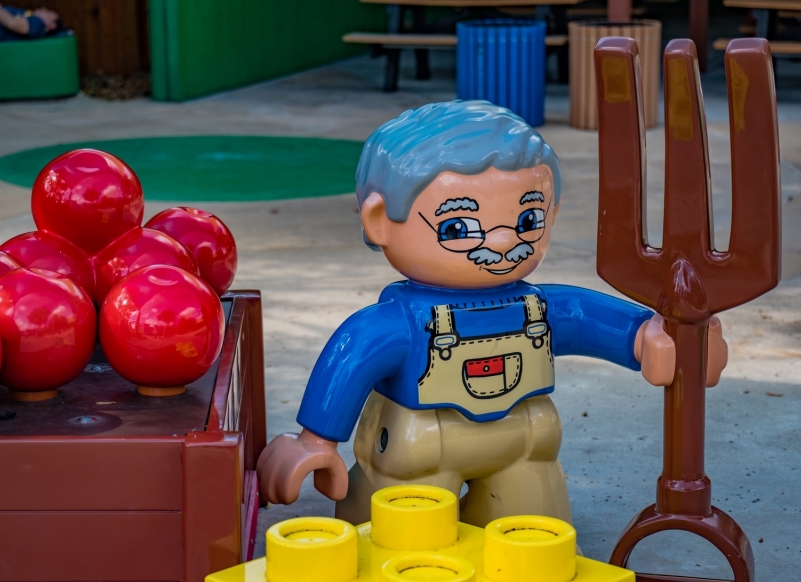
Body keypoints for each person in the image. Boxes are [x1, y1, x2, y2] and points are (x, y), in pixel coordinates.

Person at [257, 100, 729, 527]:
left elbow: (590, 319)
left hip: (523, 445)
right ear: (380, 222)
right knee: (402, 549)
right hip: (419, 448)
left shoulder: (540, 307)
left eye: (528, 220)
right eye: (459, 226)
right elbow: (350, 358)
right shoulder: (396, 323)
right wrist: (315, 441)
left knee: (536, 540)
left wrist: (653, 338)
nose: (503, 242)